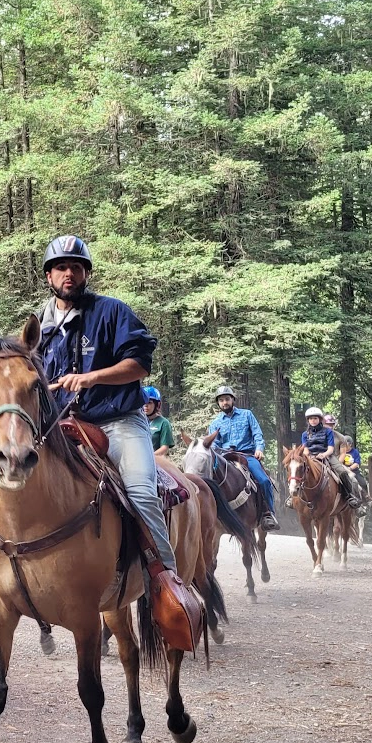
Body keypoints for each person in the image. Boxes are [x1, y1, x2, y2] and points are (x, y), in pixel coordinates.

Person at [32, 235, 195, 605]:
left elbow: (139, 365)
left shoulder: (112, 312)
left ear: (86, 273)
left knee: (141, 491)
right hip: (61, 427)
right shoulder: (39, 327)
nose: (68, 274)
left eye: (76, 267)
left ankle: (167, 587)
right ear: (49, 276)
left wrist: (91, 377)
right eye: (61, 268)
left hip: (117, 421)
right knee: (14, 477)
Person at [209, 386, 280, 530]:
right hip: (225, 457)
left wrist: (259, 449)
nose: (224, 403)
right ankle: (210, 514)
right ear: (218, 403)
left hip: (247, 455)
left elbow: (257, 434)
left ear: (233, 399)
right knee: (208, 481)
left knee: (264, 480)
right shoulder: (215, 423)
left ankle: (268, 513)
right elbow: (214, 444)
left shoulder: (247, 415)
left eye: (227, 399)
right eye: (221, 400)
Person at [299, 406, 359, 509]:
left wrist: (324, 454)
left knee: (342, 472)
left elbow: (331, 449)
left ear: (320, 419)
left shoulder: (328, 431)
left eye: (315, 418)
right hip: (310, 457)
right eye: (310, 418)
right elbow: (305, 449)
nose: (313, 421)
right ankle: (293, 497)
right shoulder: (305, 434)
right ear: (308, 420)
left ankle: (349, 495)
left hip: (327, 456)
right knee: (297, 471)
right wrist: (308, 455)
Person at [336, 433, 371, 517]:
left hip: (353, 471)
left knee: (362, 483)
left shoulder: (355, 452)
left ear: (350, 444)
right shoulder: (339, 452)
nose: (344, 446)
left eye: (346, 444)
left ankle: (365, 500)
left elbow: (357, 463)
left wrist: (350, 468)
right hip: (342, 470)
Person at [143, 386, 176, 458]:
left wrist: (149, 457)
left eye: (149, 402)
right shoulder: (137, 422)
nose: (146, 405)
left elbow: (164, 448)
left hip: (157, 460)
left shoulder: (163, 423)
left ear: (157, 405)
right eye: (143, 402)